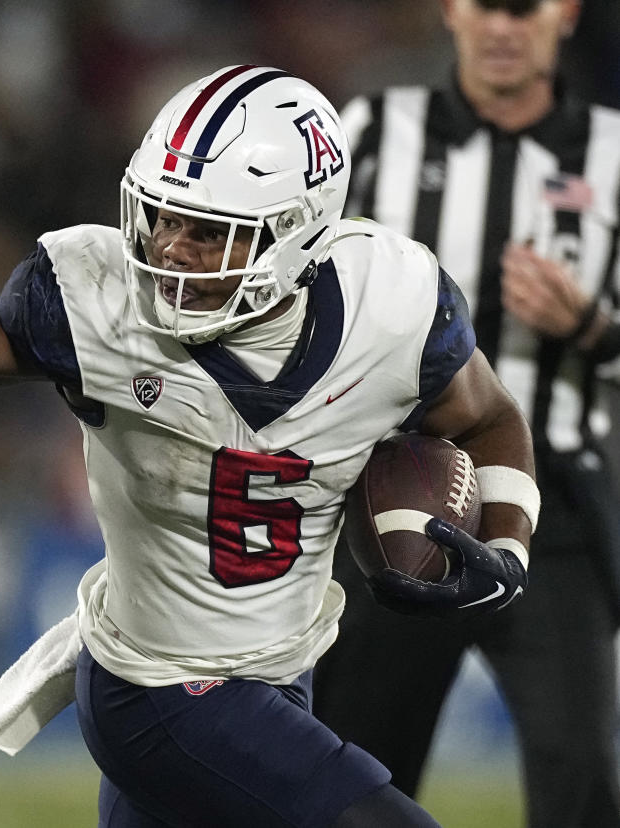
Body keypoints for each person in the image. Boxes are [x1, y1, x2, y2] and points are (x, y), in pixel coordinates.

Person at [0, 64, 539, 827]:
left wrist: (507, 549)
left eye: (208, 232)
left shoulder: (393, 305)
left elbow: (487, 417)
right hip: (158, 687)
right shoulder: (94, 302)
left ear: (298, 235)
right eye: (161, 216)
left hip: (283, 671)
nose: (169, 249)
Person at [311, 2, 620, 824]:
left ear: (567, 12)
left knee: (584, 772)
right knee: (357, 766)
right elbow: (296, 288)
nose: (504, 26)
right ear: (450, 9)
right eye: (486, 3)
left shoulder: (614, 152)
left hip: (555, 509)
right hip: (393, 485)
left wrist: (590, 327)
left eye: (526, 6)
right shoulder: (370, 129)